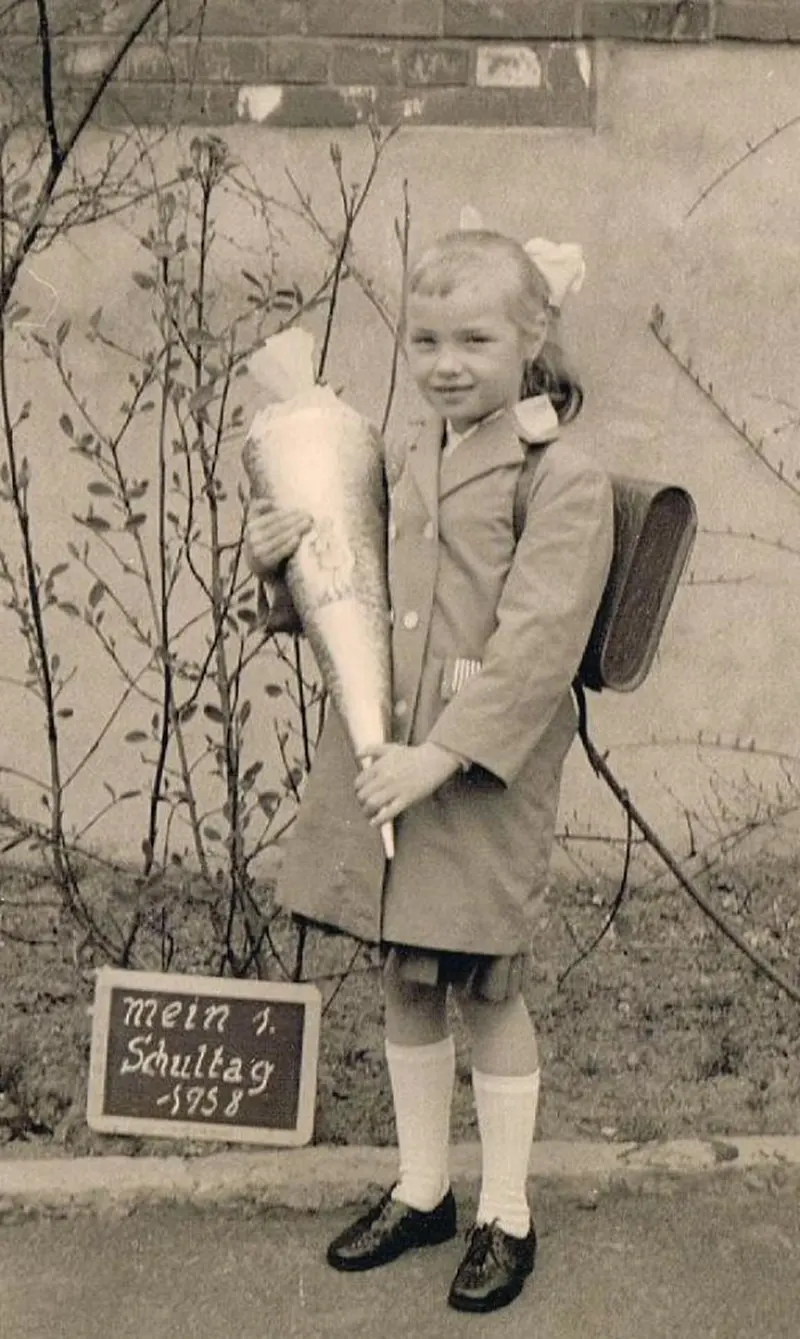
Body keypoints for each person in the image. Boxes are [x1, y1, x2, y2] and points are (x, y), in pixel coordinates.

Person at [244, 227, 614, 1314]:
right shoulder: (414, 455)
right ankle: (421, 1189)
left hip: (469, 765)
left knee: (484, 982)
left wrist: (439, 756)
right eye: (424, 340)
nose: (445, 362)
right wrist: (278, 564)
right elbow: (352, 592)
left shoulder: (561, 475)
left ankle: (506, 1210)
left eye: (474, 339)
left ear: (531, 338)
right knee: (404, 969)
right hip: (387, 746)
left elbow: (538, 647)